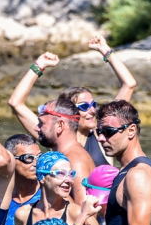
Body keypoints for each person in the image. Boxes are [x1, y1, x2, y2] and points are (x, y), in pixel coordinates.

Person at [8, 37, 137, 168]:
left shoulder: (103, 134)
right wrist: (39, 65)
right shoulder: (54, 134)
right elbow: (15, 103)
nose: (92, 110)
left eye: (93, 105)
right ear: (68, 113)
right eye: (84, 106)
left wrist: (105, 50)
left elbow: (129, 84)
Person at [7, 89, 94, 203]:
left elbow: (87, 214)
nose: (36, 128)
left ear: (60, 126)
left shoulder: (76, 161)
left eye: (41, 123)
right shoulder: (61, 155)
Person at [13, 153, 101, 225]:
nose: (68, 180)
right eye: (61, 173)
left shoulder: (77, 213)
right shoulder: (23, 215)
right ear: (42, 177)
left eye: (71, 174)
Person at [3, 134, 42, 225]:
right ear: (10, 160)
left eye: (39, 157)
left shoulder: (49, 194)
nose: (36, 163)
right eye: (28, 158)